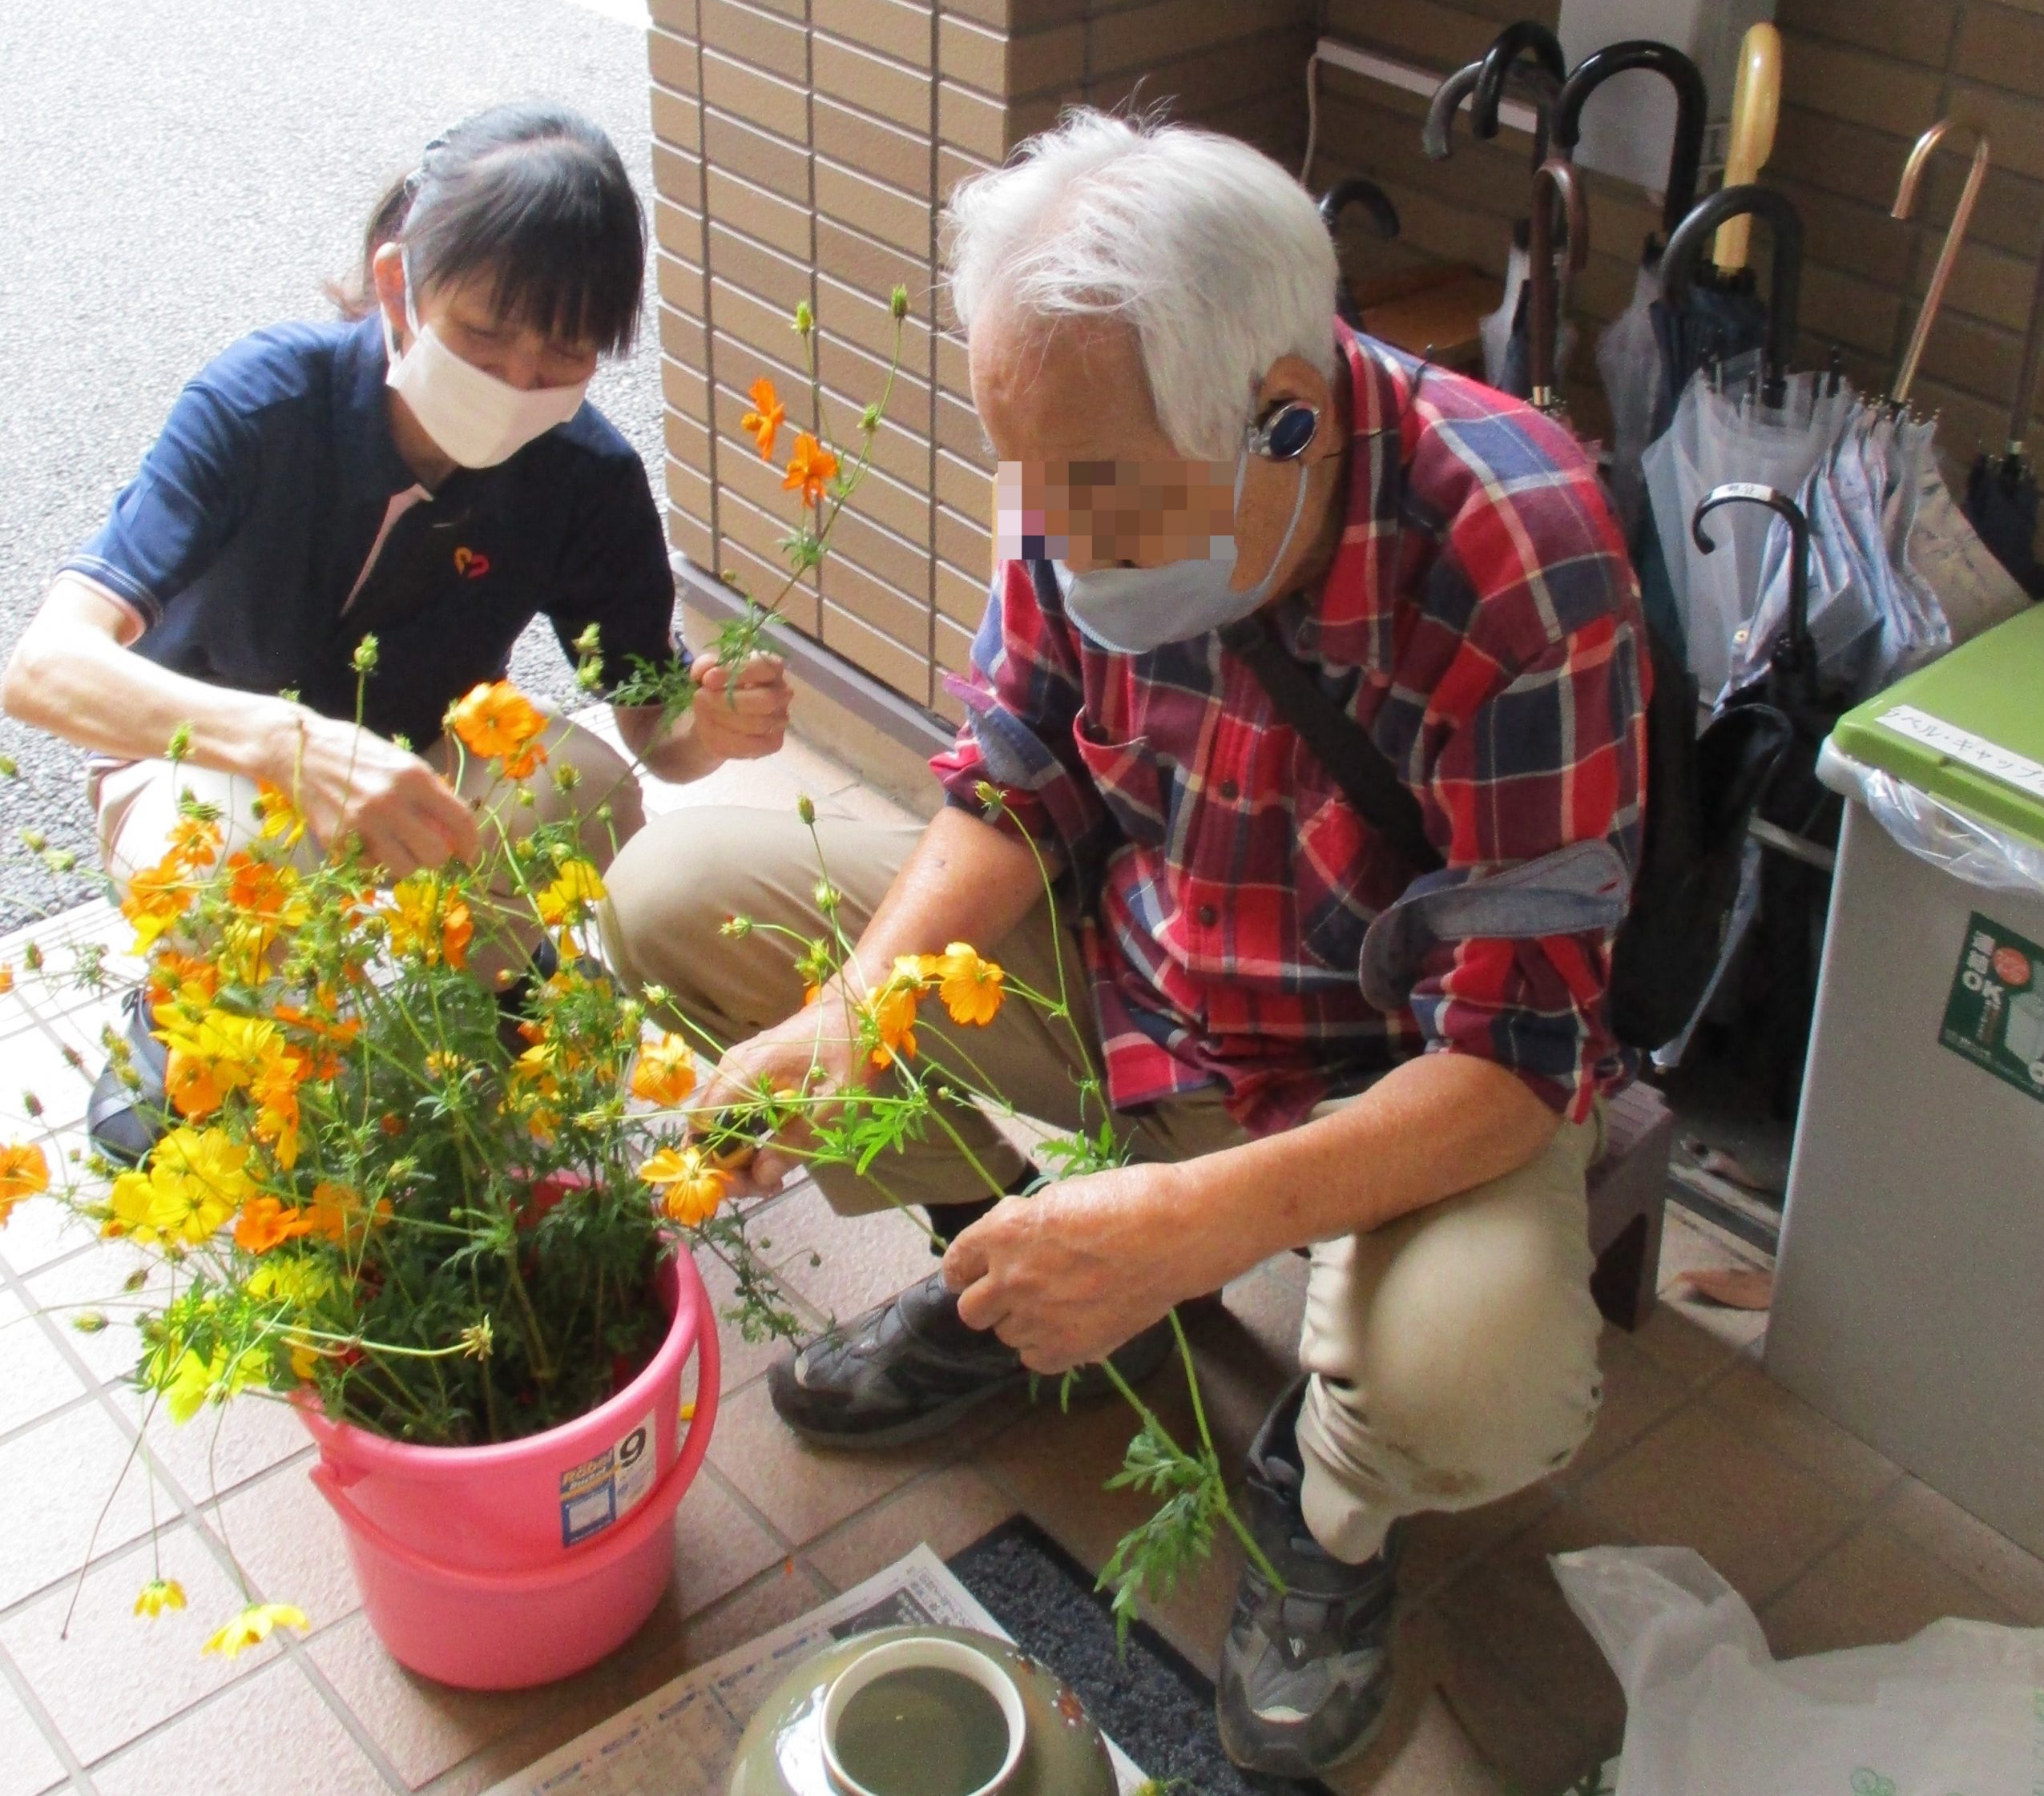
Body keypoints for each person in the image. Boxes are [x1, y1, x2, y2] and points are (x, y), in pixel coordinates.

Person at [599, 109, 1647, 1776]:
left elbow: (1518, 1052)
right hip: (1135, 966)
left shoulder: (1518, 557)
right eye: (1031, 486)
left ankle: (1329, 1513)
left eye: (1108, 513)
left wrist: (1180, 1222)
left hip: (1382, 1073)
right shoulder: (1093, 442)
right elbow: (1018, 770)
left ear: (1281, 420)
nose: (1057, 542)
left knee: (1472, 1379)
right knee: (675, 902)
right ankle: (1005, 1274)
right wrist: (854, 1015)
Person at [2, 100, 791, 1160]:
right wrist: (292, 744)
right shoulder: (265, 399)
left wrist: (713, 728)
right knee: (228, 853)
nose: (517, 384)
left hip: (419, 758)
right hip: (212, 761)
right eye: (481, 335)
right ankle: (193, 1010)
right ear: (396, 287)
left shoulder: (585, 477)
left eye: (561, 356)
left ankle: (474, 979)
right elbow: (45, 666)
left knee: (584, 786)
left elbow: (655, 732)